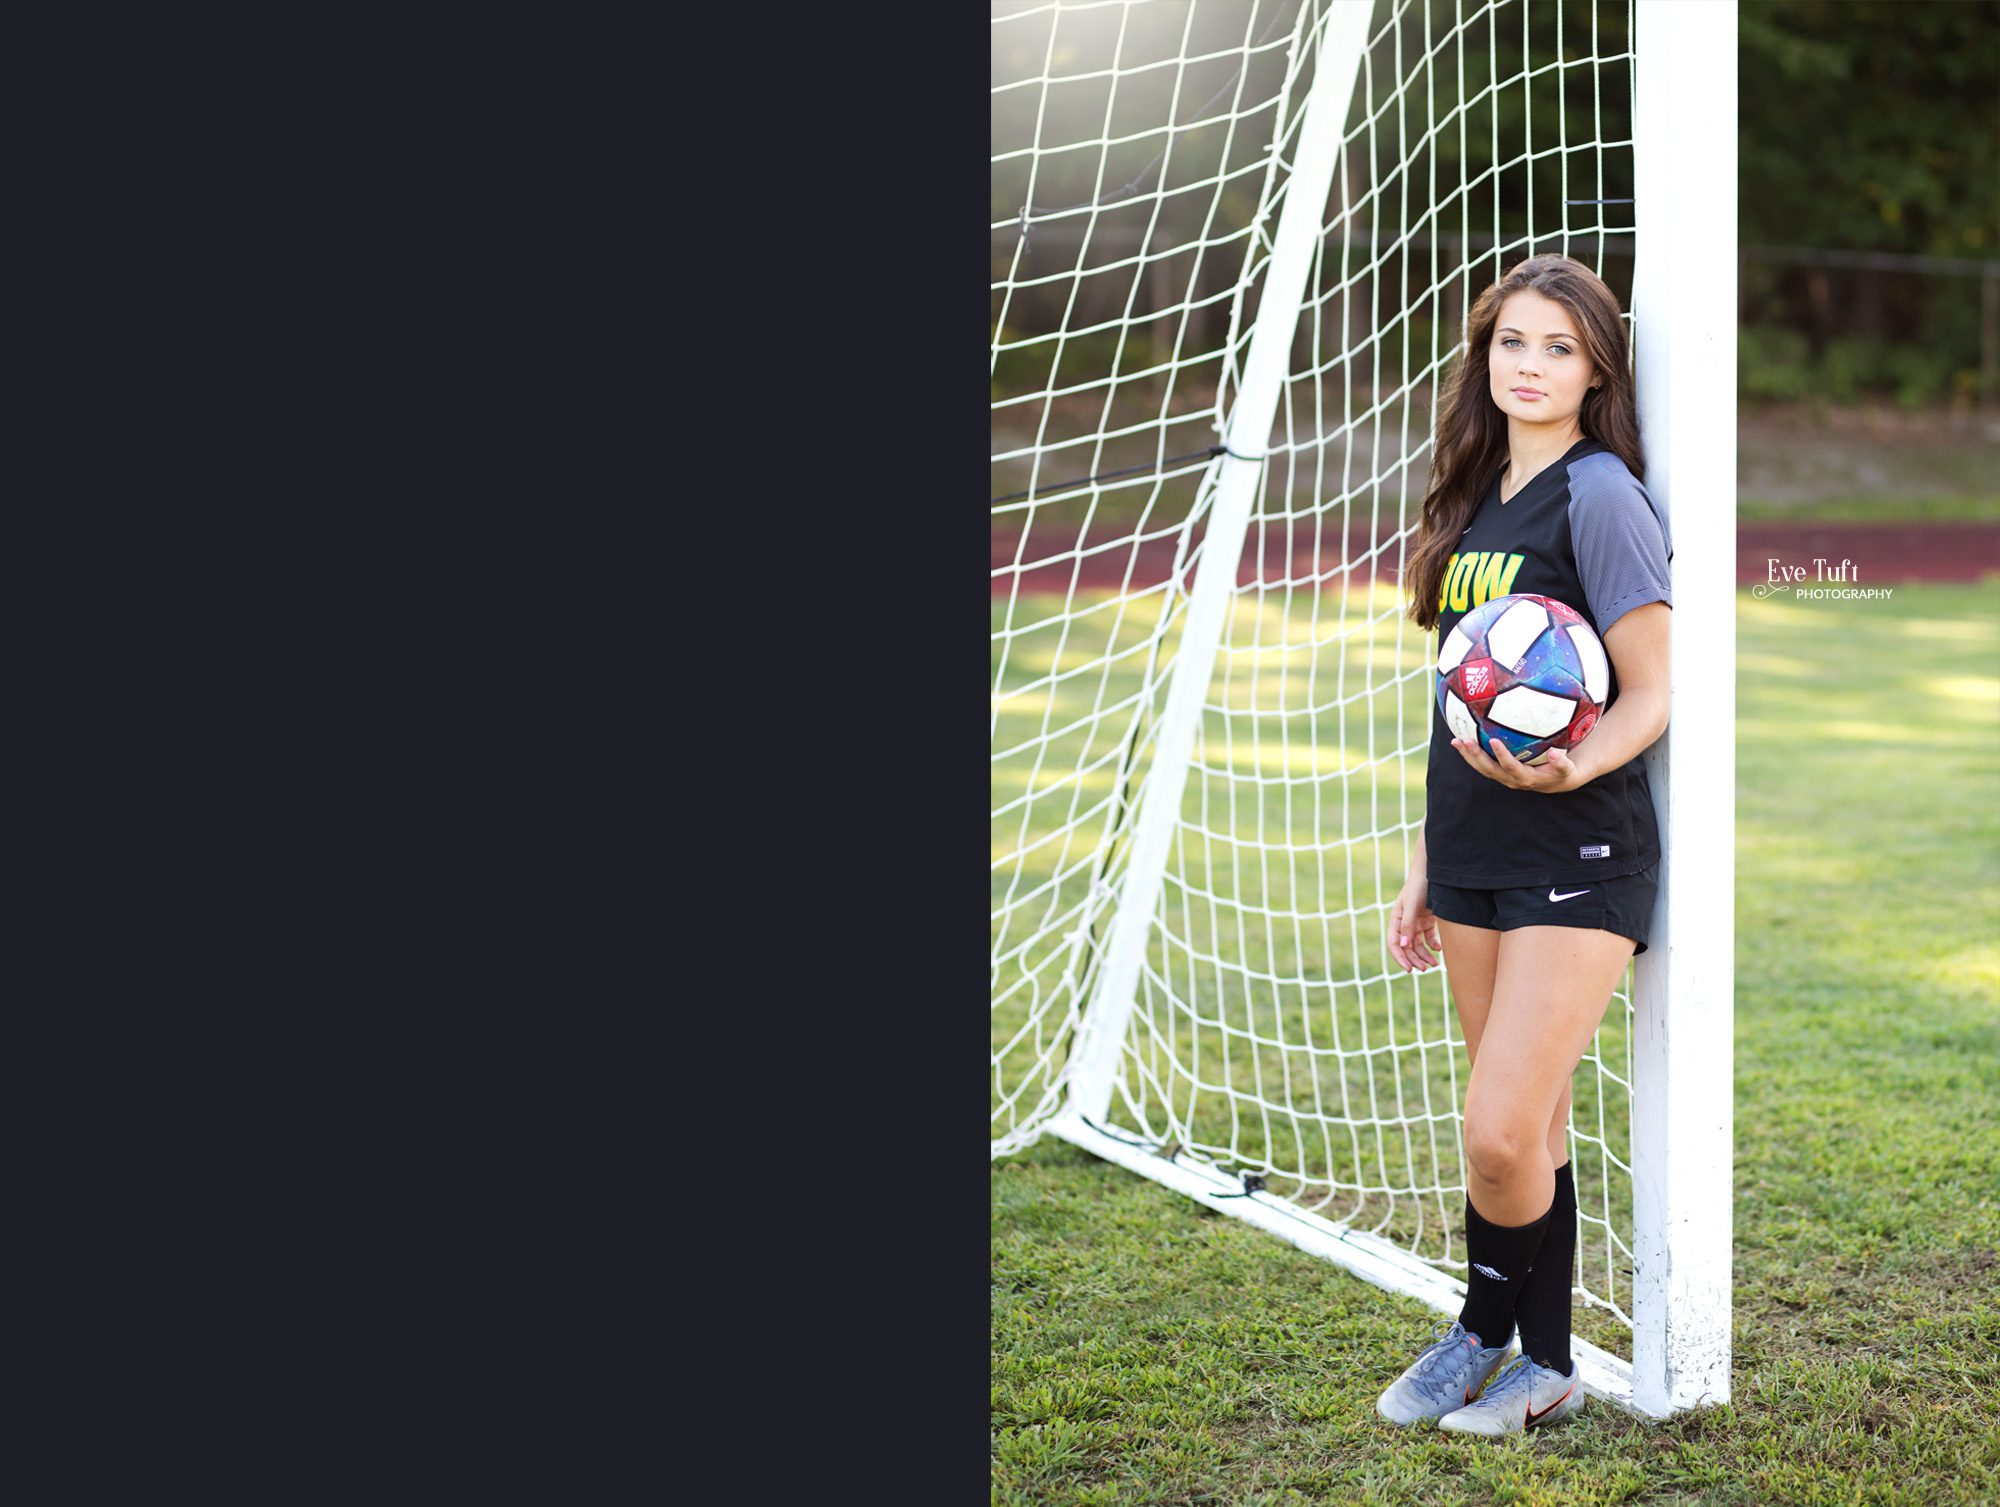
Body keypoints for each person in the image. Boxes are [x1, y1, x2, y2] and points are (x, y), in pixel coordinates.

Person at [1372, 254, 1674, 1437]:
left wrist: (1577, 762)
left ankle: (1478, 1328)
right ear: (1482, 356)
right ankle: (1540, 1362)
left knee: (1496, 1128)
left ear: (1595, 363)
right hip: (1468, 847)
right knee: (1527, 1128)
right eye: (1511, 342)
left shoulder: (1599, 495)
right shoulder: (1473, 498)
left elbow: (1650, 689)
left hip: (1579, 848)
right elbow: (1457, 699)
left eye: (1557, 346)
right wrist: (1419, 862)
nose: (1530, 365)